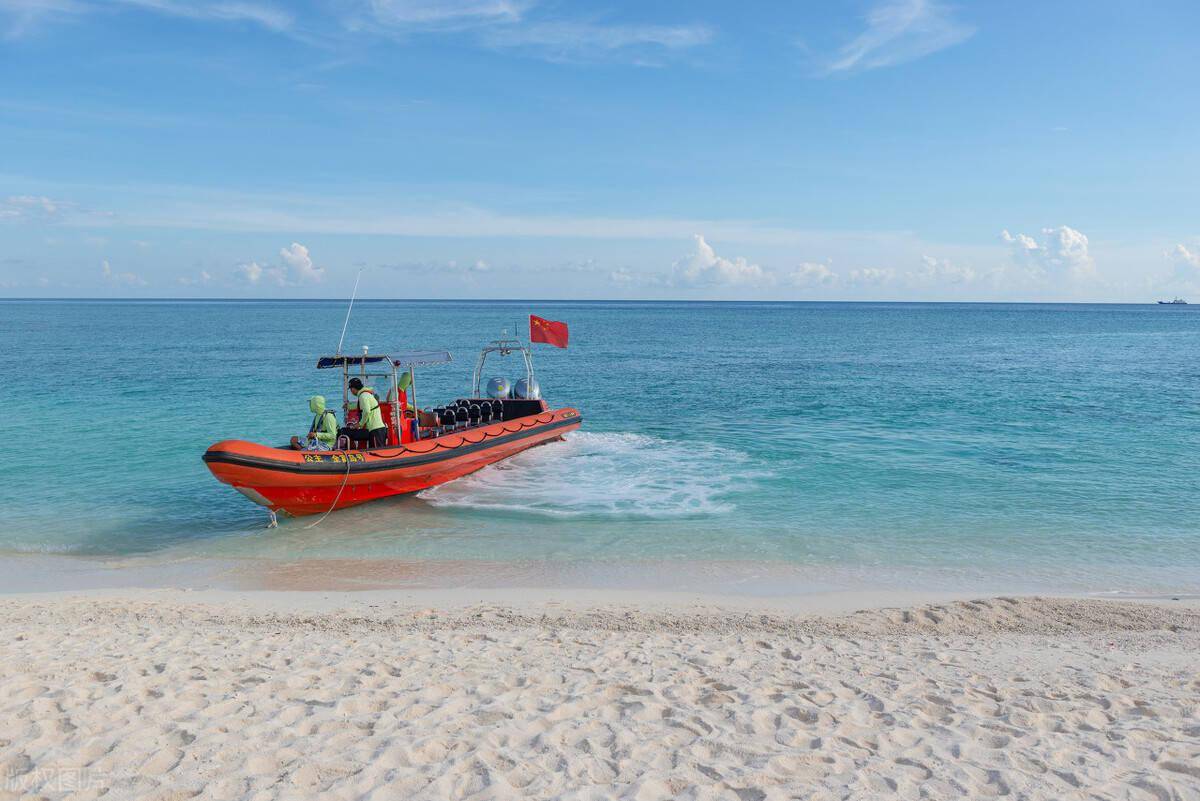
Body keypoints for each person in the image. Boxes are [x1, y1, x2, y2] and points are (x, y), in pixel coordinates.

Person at [338, 377, 388, 448]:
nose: (351, 391)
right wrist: (349, 406)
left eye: (351, 389)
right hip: (376, 429)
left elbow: (366, 411)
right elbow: (361, 406)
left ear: (353, 389)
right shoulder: (365, 395)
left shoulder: (363, 396)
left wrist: (360, 424)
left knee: (377, 452)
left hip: (376, 430)